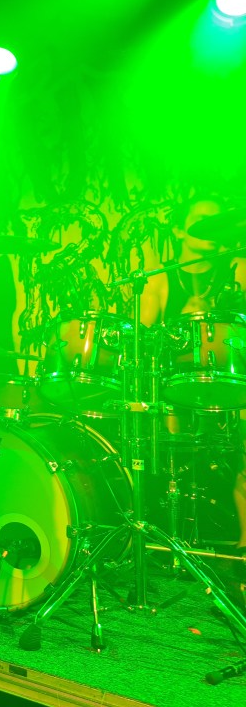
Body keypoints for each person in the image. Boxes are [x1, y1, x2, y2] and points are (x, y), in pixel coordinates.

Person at [140, 196, 246, 574]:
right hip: (177, 387)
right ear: (180, 230)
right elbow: (141, 338)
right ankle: (164, 532)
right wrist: (175, 328)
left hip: (233, 383)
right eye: (201, 220)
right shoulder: (162, 277)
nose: (211, 227)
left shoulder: (237, 269)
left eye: (217, 221)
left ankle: (242, 550)